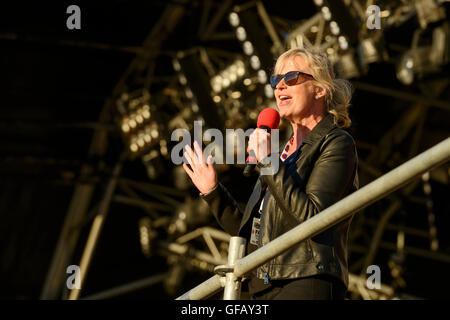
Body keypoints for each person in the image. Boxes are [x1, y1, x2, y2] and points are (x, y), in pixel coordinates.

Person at [182, 47, 359, 300]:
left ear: (320, 89)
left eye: (292, 78)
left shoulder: (336, 143)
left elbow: (313, 219)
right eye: (276, 80)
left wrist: (267, 161)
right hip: (264, 287)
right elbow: (254, 237)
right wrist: (213, 193)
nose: (280, 87)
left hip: (306, 280)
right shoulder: (281, 155)